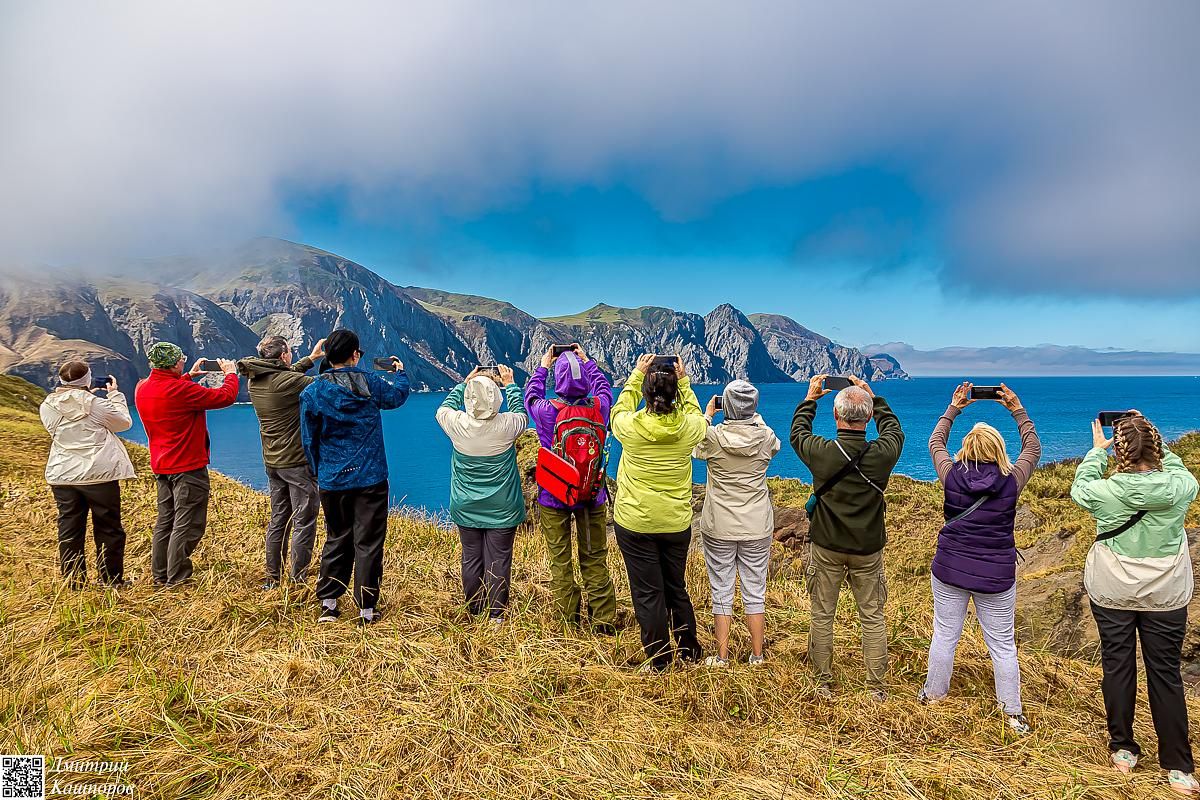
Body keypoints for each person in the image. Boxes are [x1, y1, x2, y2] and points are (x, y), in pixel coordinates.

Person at [1071, 412, 1199, 795]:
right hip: (1165, 593)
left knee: (1118, 665)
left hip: (1113, 590)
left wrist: (1096, 452)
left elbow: (1081, 486)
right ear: (1158, 448)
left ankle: (1123, 749)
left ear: (1120, 454)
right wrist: (1154, 439)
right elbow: (1176, 468)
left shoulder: (1106, 492)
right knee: (1165, 675)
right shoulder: (1181, 486)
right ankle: (1178, 767)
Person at [920, 382, 1040, 735]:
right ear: (999, 450)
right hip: (995, 575)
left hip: (950, 569)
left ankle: (933, 696)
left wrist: (953, 408)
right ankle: (1012, 713)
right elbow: (1032, 447)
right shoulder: (1012, 481)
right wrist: (1016, 408)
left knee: (945, 635)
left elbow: (935, 443)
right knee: (1002, 644)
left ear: (967, 448)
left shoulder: (951, 475)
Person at [790, 373, 904, 699]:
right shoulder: (882, 454)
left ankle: (823, 682)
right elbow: (894, 430)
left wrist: (810, 398)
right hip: (867, 547)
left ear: (836, 416)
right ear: (868, 417)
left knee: (822, 614)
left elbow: (798, 433)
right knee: (872, 615)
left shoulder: (822, 452)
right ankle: (875, 688)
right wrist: (873, 397)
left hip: (826, 544)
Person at [300, 329, 410, 626]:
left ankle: (329, 603)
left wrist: (318, 470)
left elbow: (308, 439)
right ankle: (366, 608)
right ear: (354, 354)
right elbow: (397, 397)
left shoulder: (312, 391)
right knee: (369, 542)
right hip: (370, 477)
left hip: (333, 479)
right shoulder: (370, 383)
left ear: (327, 355)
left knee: (337, 536)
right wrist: (400, 373)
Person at [611, 354, 708, 671]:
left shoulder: (630, 427)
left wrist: (635, 376)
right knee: (675, 587)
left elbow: (618, 411)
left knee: (648, 593)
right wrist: (685, 383)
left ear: (647, 396)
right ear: (676, 394)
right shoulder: (690, 428)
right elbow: (696, 414)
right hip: (675, 521)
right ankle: (689, 651)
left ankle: (659, 660)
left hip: (635, 520)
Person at [524, 343, 618, 632]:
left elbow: (530, 396)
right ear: (584, 381)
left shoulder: (546, 411)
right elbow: (605, 389)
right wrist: (588, 362)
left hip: (554, 495)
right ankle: (602, 622)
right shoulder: (599, 408)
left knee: (560, 559)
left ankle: (569, 623)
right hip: (591, 494)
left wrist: (543, 365)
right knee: (594, 557)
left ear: (559, 381)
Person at [134, 342, 239, 586]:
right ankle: (178, 577)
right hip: (188, 466)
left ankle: (161, 574)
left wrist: (188, 376)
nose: (183, 359)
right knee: (188, 523)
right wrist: (231, 374)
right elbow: (225, 397)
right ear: (173, 363)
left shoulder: (142, 387)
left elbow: (169, 389)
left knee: (166, 521)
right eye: (181, 358)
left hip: (162, 464)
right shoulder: (179, 391)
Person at [694, 380, 780, 667]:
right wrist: (751, 413)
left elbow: (694, 444)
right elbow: (773, 441)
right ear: (754, 409)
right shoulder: (765, 437)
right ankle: (757, 655)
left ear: (725, 407)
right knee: (755, 589)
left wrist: (708, 414)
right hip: (756, 524)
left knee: (721, 588)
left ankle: (722, 656)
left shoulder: (714, 438)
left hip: (719, 523)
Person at [435, 365, 528, 622]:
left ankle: (474, 609)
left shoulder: (457, 424)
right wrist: (510, 384)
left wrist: (465, 383)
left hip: (466, 507)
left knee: (471, 557)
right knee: (499, 560)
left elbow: (443, 408)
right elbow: (521, 412)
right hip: (503, 508)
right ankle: (496, 615)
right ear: (496, 398)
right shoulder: (508, 424)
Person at [238, 335, 326, 589]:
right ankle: (297, 579)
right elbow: (324, 384)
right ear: (284, 355)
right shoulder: (287, 381)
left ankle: (272, 577)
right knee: (304, 519)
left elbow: (287, 376)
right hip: (296, 462)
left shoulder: (256, 380)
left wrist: (311, 358)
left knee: (279, 519)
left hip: (273, 462)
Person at [40, 361, 136, 588]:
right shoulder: (95, 404)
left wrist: (80, 396)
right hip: (98, 475)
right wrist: (115, 396)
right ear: (87, 379)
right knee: (108, 528)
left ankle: (74, 583)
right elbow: (124, 422)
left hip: (63, 475)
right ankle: (111, 581)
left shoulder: (47, 405)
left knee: (70, 529)